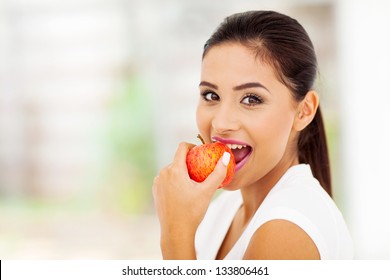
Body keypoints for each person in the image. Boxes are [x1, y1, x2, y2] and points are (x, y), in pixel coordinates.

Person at [152, 10, 353, 260]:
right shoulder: (224, 208)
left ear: (304, 111)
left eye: (251, 99)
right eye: (211, 96)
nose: (221, 123)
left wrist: (176, 233)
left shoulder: (288, 227)